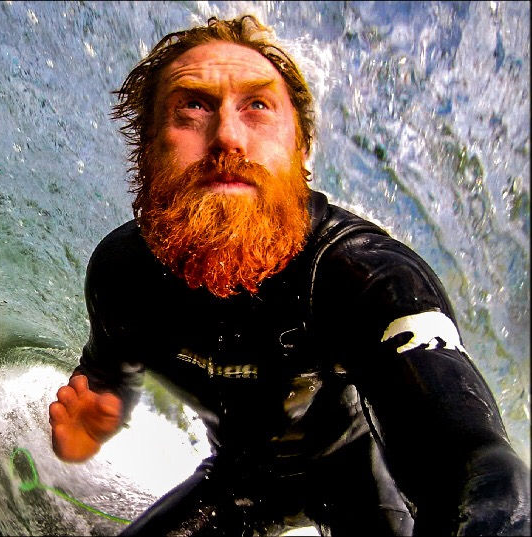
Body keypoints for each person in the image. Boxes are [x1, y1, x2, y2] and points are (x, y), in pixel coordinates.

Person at [47, 14, 530, 537]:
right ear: (146, 148)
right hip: (237, 480)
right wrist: (93, 422)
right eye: (193, 107)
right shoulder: (122, 274)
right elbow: (106, 378)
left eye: (258, 106)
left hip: (360, 487)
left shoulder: (365, 275)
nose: (227, 136)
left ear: (300, 149)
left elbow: (472, 464)